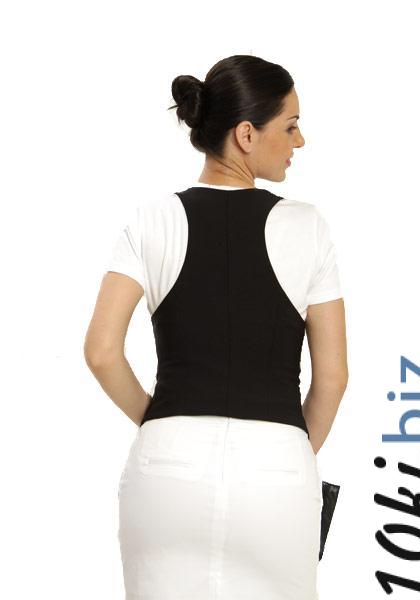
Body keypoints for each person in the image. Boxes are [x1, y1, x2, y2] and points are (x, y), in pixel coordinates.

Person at [84, 54, 348, 600]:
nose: (300, 141)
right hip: (277, 474)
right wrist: (291, 451)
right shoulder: (308, 227)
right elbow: (333, 378)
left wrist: (158, 420)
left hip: (165, 471)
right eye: (290, 126)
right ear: (246, 135)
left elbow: (102, 351)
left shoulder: (152, 219)